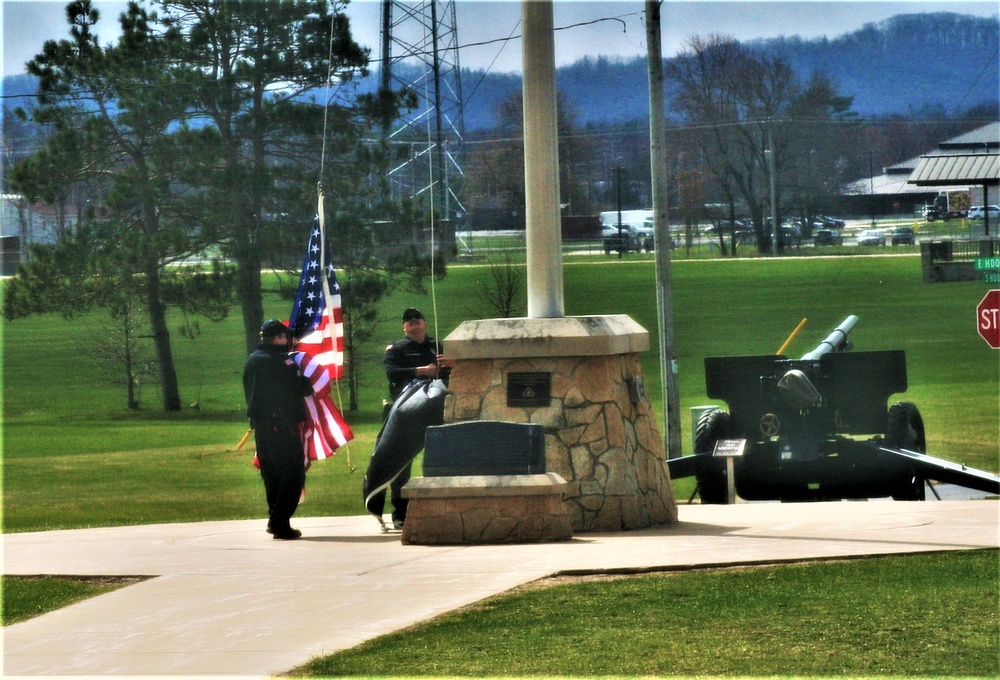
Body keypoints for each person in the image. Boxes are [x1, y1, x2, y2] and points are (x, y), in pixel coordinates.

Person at [378, 307, 452, 528]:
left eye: (417, 319)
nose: (413, 322)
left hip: (438, 408)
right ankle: (401, 514)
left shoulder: (438, 347)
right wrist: (422, 370)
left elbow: (453, 371)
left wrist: (449, 364)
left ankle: (441, 508)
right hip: (408, 410)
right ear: (404, 327)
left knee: (440, 460)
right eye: (408, 320)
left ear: (425, 323)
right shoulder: (397, 349)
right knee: (402, 463)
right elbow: (392, 373)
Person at [243, 319, 312, 540]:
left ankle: (277, 520)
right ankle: (279, 521)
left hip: (262, 427)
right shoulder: (278, 362)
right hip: (280, 425)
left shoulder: (253, 360)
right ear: (279, 338)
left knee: (272, 476)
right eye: (285, 337)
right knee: (293, 475)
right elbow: (300, 388)